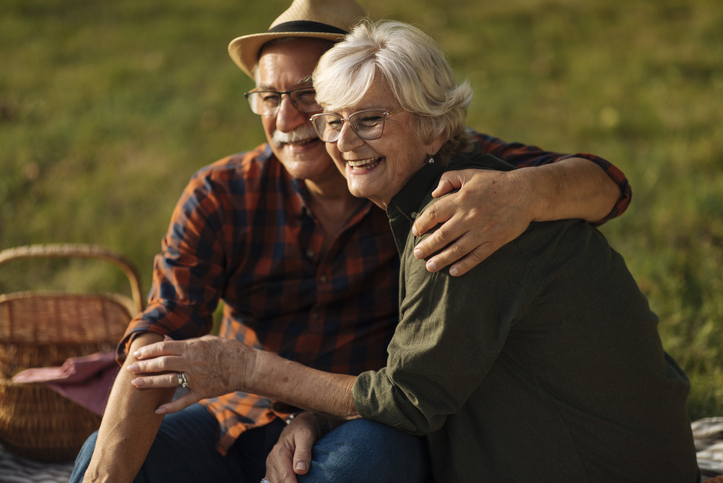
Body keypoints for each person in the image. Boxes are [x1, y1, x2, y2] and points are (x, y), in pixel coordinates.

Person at [71, 1, 631, 482]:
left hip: (365, 417)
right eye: (269, 97)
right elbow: (160, 333)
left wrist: (523, 193)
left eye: (309, 94)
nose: (288, 118)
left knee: (363, 464)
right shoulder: (222, 194)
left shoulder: (428, 162)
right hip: (235, 413)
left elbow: (606, 185)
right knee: (107, 451)